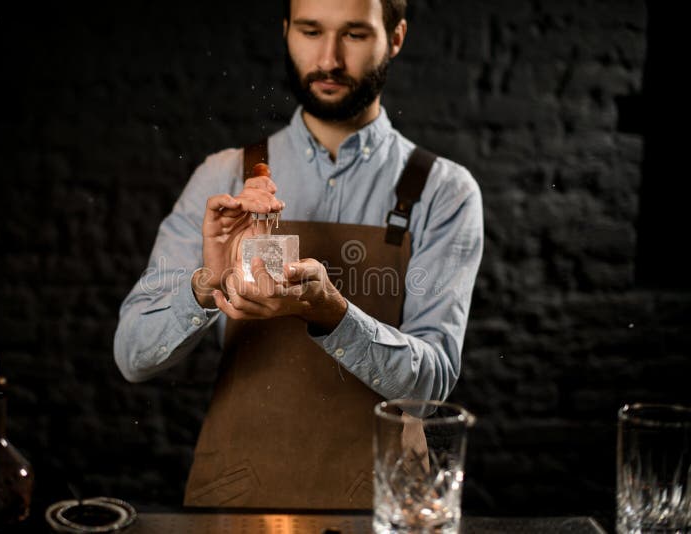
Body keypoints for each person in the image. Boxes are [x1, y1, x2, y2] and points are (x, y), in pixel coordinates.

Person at [114, 0, 483, 509]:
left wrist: (333, 314)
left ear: (395, 37)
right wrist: (204, 286)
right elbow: (132, 356)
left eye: (354, 34)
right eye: (311, 31)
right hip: (236, 500)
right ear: (286, 30)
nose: (328, 58)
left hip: (380, 505)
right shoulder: (223, 176)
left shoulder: (442, 190)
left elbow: (434, 379)